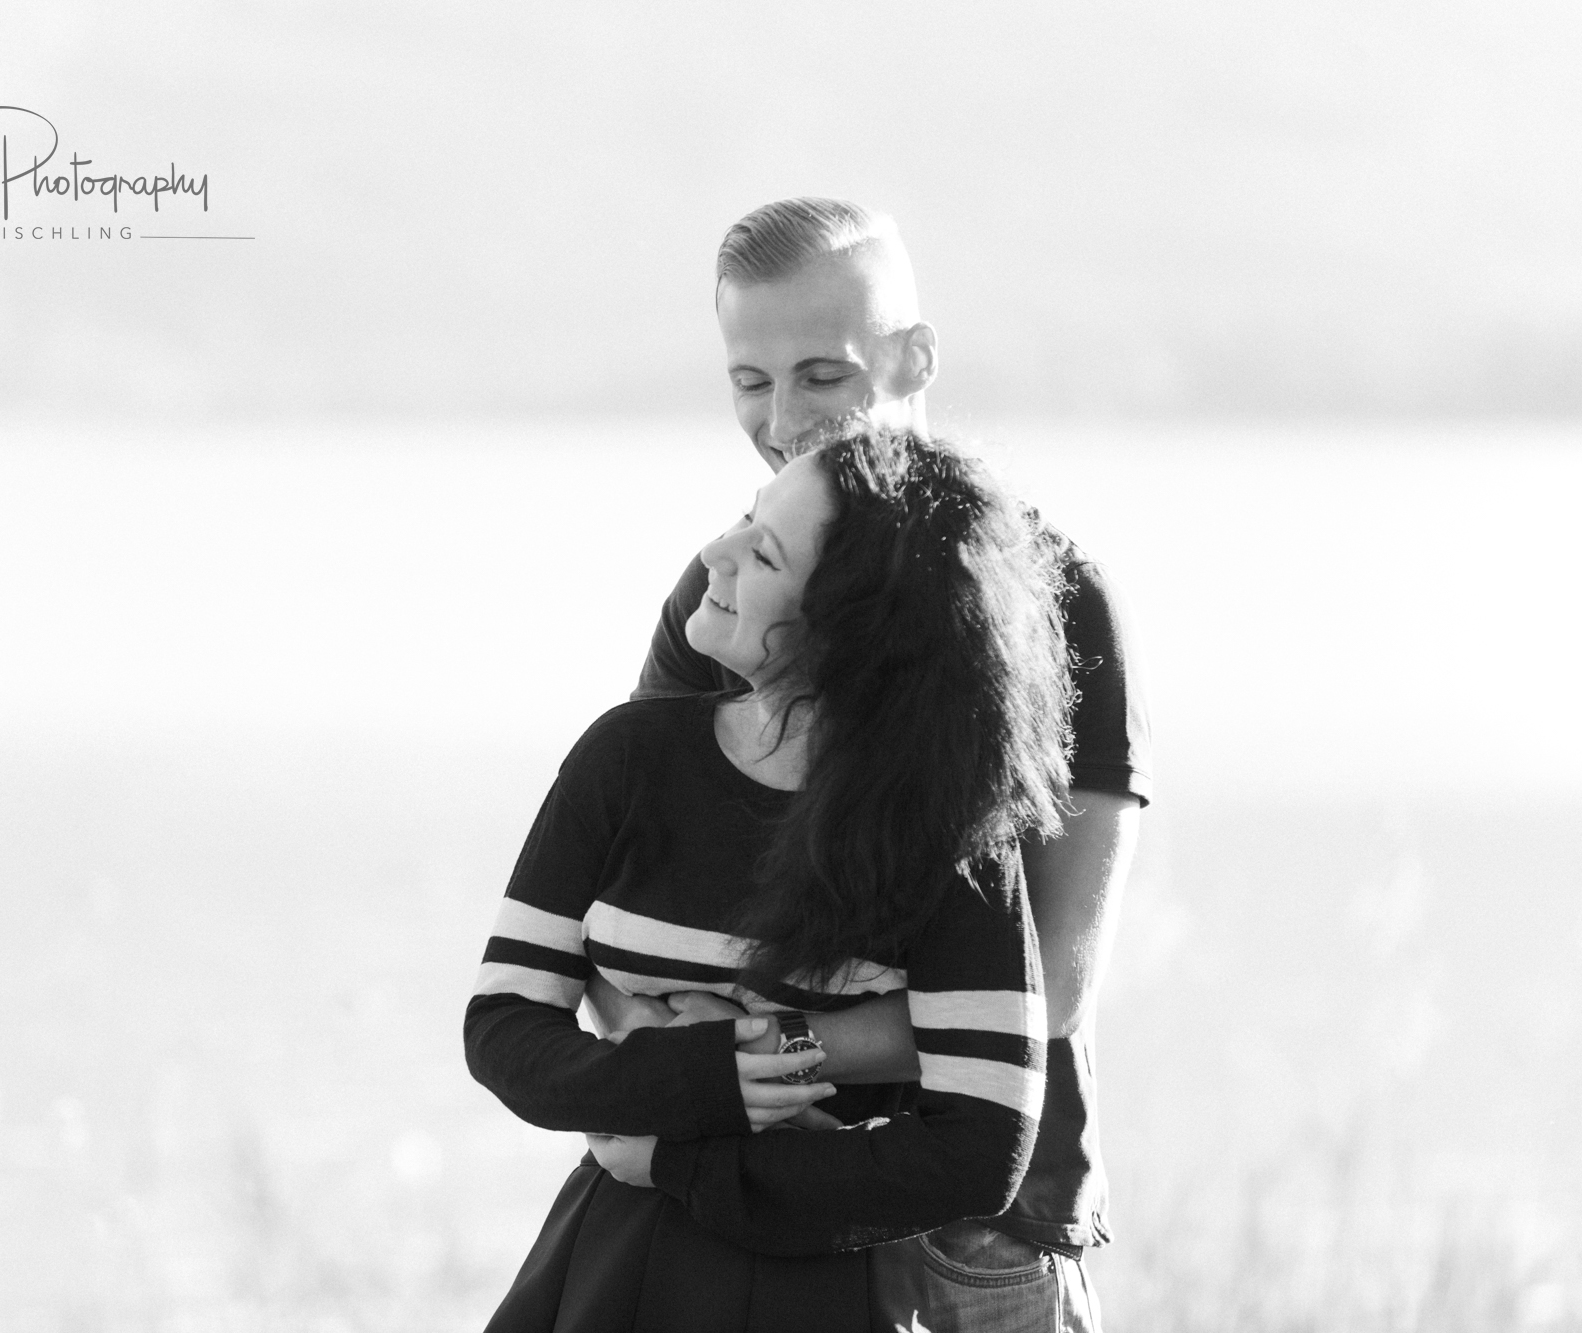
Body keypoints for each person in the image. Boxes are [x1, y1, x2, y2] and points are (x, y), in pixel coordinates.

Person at [593, 198, 1151, 1328]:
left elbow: (1051, 989)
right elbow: (617, 921)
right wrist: (675, 1062)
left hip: (982, 1228)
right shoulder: (719, 600)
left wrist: (769, 1055)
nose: (783, 419)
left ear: (914, 357)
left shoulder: (1055, 598)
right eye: (750, 381)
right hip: (749, 1203)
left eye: (821, 375)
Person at [466, 426, 1074, 1332]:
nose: (717, 552)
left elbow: (983, 1150)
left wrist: (683, 1159)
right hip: (601, 1264)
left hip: (819, 1292)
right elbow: (502, 1027)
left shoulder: (952, 833)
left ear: (851, 625)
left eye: (764, 553)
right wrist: (693, 1076)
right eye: (744, 520)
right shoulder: (626, 759)